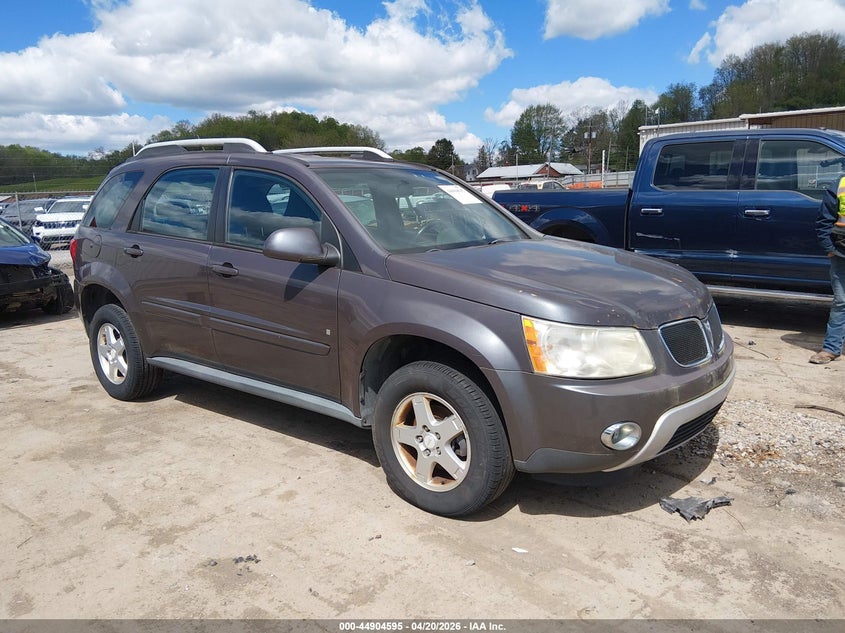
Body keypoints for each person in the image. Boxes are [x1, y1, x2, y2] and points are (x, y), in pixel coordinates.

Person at [809, 175, 845, 364]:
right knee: (841, 301)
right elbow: (824, 220)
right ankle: (831, 349)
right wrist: (829, 248)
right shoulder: (841, 184)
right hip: (842, 254)